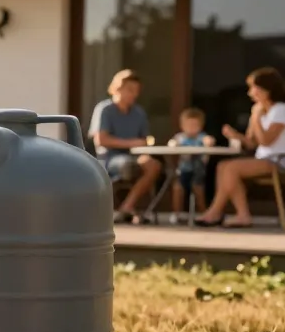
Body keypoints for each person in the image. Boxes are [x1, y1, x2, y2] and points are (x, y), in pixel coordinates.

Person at [195, 67, 285, 228]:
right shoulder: (262, 110)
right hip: (265, 159)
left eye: (253, 88)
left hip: (280, 160)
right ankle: (226, 213)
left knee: (231, 168)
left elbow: (266, 141)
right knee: (223, 166)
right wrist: (235, 135)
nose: (250, 93)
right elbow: (251, 143)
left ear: (266, 89)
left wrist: (256, 117)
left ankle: (225, 213)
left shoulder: (281, 110)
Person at [91, 70, 162, 224]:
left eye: (137, 90)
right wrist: (131, 143)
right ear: (117, 88)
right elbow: (101, 140)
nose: (134, 94)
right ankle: (125, 210)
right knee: (129, 166)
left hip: (135, 156)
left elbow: (144, 139)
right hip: (110, 158)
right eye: (130, 90)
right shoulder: (104, 109)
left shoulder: (139, 113)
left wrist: (144, 143)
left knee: (153, 165)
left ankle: (127, 207)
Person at [168, 108, 216, 225]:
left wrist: (209, 142)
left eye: (195, 125)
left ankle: (203, 213)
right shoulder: (180, 137)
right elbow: (172, 143)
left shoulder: (201, 137)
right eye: (188, 125)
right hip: (183, 170)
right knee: (177, 188)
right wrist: (173, 144)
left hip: (198, 170)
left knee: (198, 189)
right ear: (182, 126)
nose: (191, 128)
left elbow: (209, 141)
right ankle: (176, 213)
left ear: (201, 126)